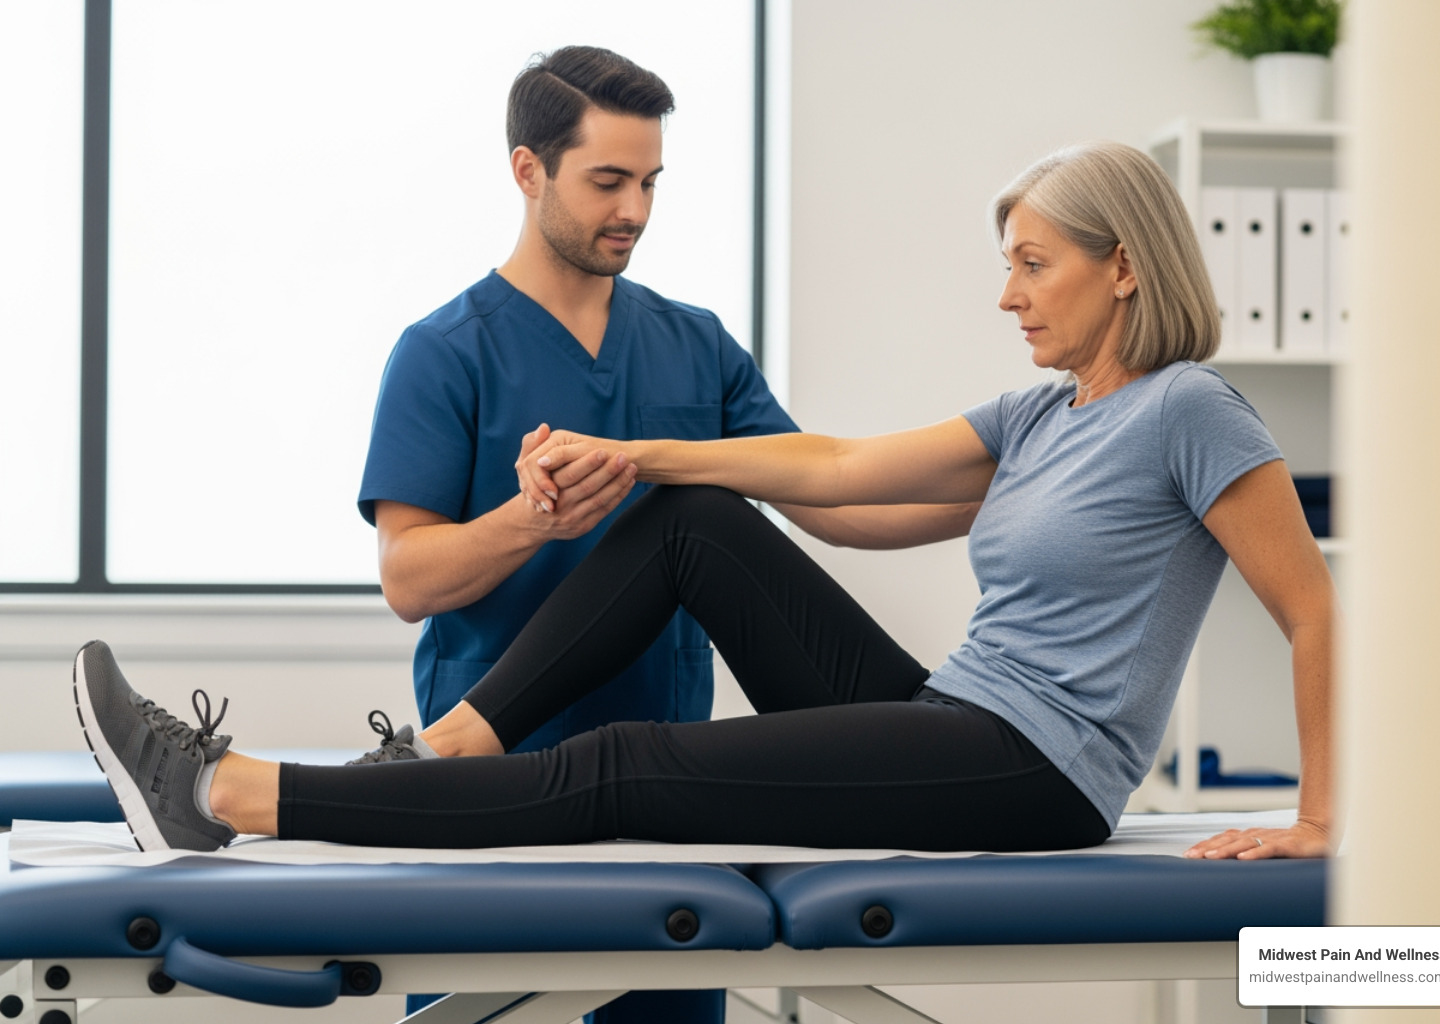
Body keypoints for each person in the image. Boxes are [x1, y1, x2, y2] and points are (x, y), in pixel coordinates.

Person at [77, 142, 1333, 877]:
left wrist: (1321, 818)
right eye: (1007, 262)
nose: (1007, 294)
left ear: (1124, 266)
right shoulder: (1042, 413)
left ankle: (227, 791)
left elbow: (1313, 611)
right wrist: (641, 458)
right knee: (694, 521)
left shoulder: (1190, 410)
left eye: (1032, 263)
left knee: (627, 764)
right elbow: (833, 468)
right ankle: (458, 739)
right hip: (953, 713)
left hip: (1038, 768)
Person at [361, 46, 973, 1022]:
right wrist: (534, 518)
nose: (634, 210)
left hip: (671, 805)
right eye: (607, 181)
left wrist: (1011, 494)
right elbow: (408, 579)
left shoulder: (697, 342)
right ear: (529, 171)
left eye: (650, 182)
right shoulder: (443, 354)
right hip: (497, 794)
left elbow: (834, 503)